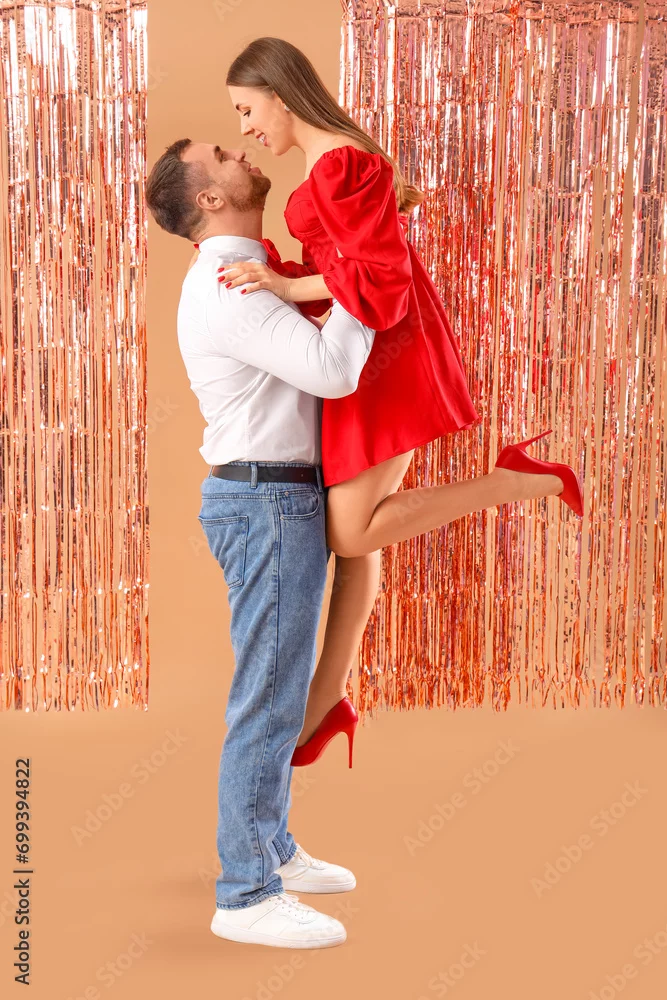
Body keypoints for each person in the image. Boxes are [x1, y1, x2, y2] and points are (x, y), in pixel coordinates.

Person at [215, 36, 583, 767]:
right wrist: (275, 277)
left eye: (247, 110)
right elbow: (346, 265)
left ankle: (519, 480)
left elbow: (382, 282)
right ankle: (328, 699)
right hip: (361, 352)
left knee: (349, 532)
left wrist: (286, 286)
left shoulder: (341, 163)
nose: (246, 128)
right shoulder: (329, 162)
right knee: (354, 534)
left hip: (388, 354)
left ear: (280, 95)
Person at [146, 139, 376, 948]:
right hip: (267, 501)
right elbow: (334, 371)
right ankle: (244, 895)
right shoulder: (231, 285)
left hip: (271, 498)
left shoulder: (248, 273)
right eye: (221, 153)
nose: (242, 148)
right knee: (268, 699)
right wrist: (365, 272)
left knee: (275, 691)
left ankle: (269, 844)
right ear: (209, 198)